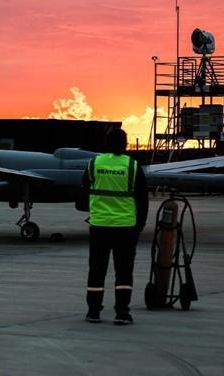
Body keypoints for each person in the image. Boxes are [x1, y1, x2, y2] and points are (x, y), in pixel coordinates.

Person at [81, 128, 148, 325]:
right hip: (126, 227)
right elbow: (143, 199)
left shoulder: (94, 164)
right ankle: (122, 312)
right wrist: (140, 224)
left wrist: (96, 210)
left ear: (106, 143)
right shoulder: (132, 166)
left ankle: (93, 311)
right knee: (124, 271)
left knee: (97, 269)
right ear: (125, 144)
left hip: (99, 225)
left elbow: (85, 187)